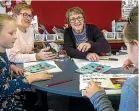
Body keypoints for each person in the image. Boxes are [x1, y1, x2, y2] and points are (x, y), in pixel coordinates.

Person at [84, 6, 138, 111]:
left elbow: (105, 46)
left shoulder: (132, 87)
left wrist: (98, 97)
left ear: (136, 44)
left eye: (126, 46)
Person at [0, 14, 53, 111]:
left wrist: (11, 66)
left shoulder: (3, 52)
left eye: (16, 33)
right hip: (6, 103)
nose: (16, 37)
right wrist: (31, 78)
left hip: (12, 97)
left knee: (35, 99)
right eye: (11, 33)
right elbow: (2, 90)